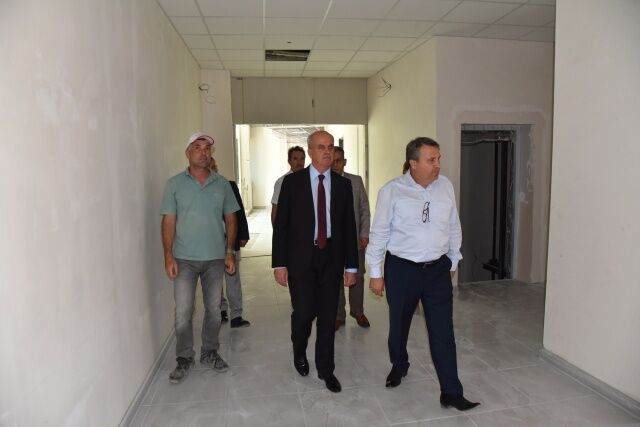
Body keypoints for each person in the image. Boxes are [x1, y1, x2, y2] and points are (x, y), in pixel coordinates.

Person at [366, 137, 480, 411]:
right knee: (399, 325)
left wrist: (452, 261)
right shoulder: (392, 191)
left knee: (443, 331)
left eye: (438, 159)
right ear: (413, 163)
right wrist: (376, 273)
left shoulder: (446, 186)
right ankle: (399, 364)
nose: (438, 164)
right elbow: (379, 233)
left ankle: (451, 391)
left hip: (437, 270)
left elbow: (454, 226)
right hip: (402, 269)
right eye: (431, 160)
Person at [272, 130, 359, 393]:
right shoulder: (292, 183)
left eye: (330, 147)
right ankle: (299, 351)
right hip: (301, 258)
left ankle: (326, 368)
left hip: (331, 257)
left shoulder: (343, 186)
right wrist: (279, 263)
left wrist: (351, 266)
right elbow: (281, 226)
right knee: (303, 314)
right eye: (321, 147)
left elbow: (349, 228)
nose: (327, 151)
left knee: (328, 316)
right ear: (310, 151)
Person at [160, 132, 239, 384]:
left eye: (207, 148)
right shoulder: (174, 184)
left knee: (214, 311)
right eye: (197, 147)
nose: (203, 152)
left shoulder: (222, 184)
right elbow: (169, 221)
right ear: (188, 153)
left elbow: (231, 219)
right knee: (183, 312)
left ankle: (209, 352)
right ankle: (184, 358)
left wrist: (229, 252)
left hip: (215, 259)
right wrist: (168, 256)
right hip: (184, 259)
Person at [331, 146, 371, 330]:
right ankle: (338, 315)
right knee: (335, 278)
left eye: (338, 161)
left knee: (358, 277)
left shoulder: (356, 181)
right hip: (332, 242)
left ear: (344, 162)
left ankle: (358, 311)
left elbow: (364, 209)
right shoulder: (324, 182)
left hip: (354, 241)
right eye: (332, 161)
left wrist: (364, 233)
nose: (335, 165)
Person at [210, 157, 250, 328]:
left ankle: (236, 315)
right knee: (214, 279)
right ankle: (220, 310)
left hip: (230, 240)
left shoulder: (229, 185)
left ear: (216, 167)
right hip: (210, 242)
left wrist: (243, 234)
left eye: (213, 166)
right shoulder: (199, 190)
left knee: (233, 278)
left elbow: (239, 212)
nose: (211, 169)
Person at [271, 146, 306, 226]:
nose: (299, 162)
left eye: (302, 158)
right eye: (295, 158)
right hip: (289, 227)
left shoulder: (311, 180)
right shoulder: (281, 181)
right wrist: (276, 231)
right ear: (289, 161)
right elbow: (275, 208)